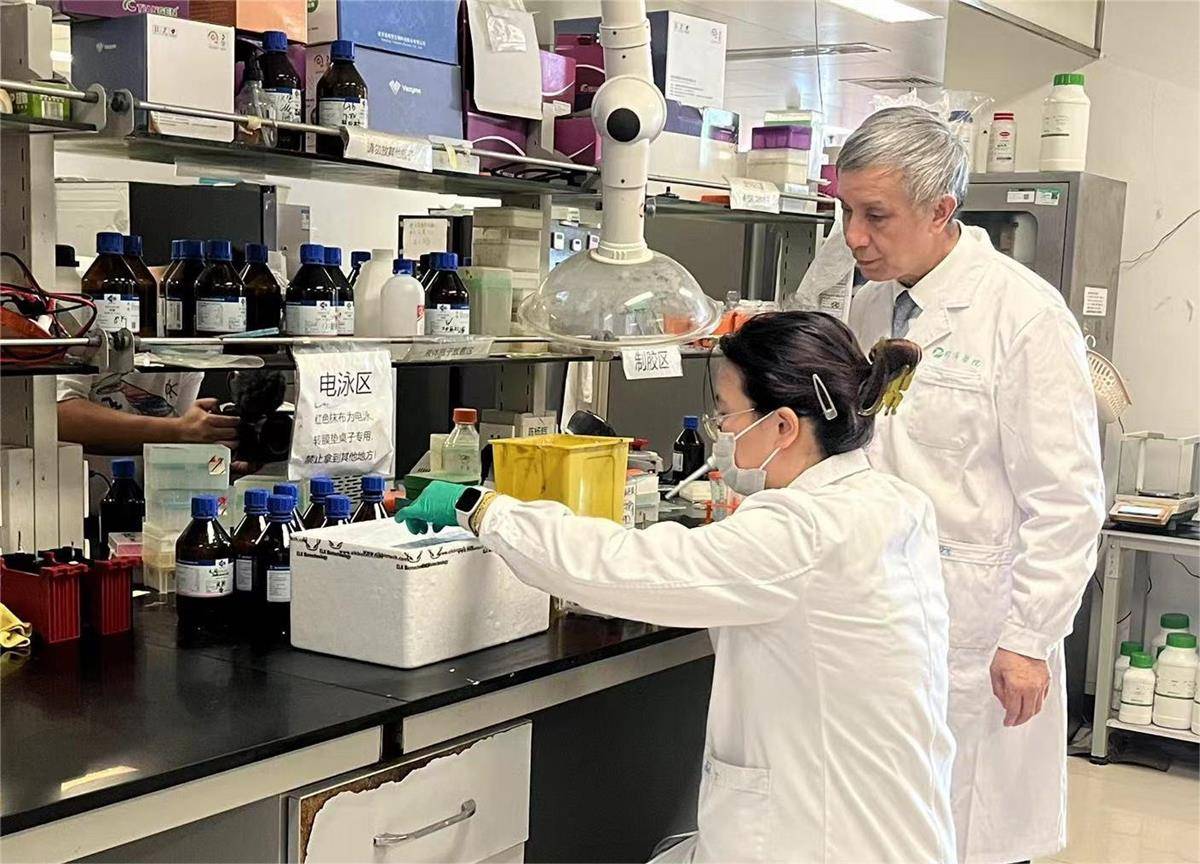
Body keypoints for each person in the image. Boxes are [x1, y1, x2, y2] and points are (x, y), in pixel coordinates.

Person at [399, 312, 957, 864]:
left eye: (727, 414)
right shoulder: (893, 501)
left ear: (784, 426)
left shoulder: (803, 530)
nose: (722, 433)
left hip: (820, 839)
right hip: (888, 824)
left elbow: (624, 568)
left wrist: (484, 509)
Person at [838, 106, 1106, 864]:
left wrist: (1029, 640)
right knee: (887, 829)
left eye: (875, 216)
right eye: (846, 211)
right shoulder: (870, 302)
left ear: (940, 211)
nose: (854, 236)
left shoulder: (1024, 316)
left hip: (975, 623)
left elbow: (1067, 498)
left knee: (971, 831)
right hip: (878, 609)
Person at [57, 370, 237, 510]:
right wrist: (179, 430)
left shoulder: (187, 352)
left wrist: (221, 462)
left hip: (145, 511)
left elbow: (179, 447)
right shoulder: (78, 335)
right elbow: (59, 415)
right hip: (67, 508)